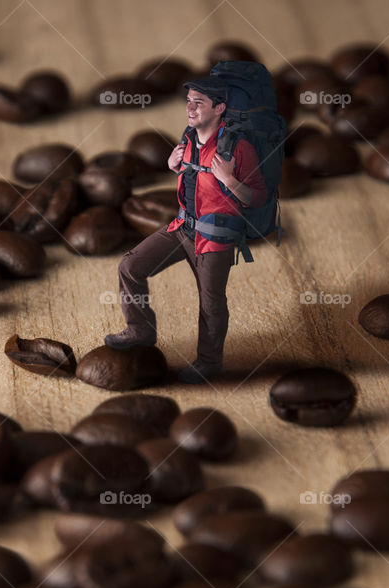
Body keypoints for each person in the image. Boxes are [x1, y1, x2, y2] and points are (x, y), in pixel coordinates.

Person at [104, 76, 270, 384]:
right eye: (188, 101)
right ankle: (140, 330)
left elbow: (258, 197)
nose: (190, 108)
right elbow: (190, 178)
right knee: (130, 266)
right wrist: (172, 164)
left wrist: (230, 181)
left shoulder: (238, 148)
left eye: (199, 103)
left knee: (211, 303)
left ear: (220, 108)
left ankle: (208, 360)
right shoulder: (188, 137)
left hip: (215, 238)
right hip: (182, 226)